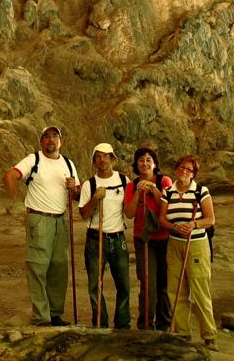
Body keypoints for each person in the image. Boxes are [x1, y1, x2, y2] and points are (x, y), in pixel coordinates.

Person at [2, 125, 78, 326]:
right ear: (41, 141)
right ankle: (41, 317)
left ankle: (54, 314)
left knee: (59, 267)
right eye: (46, 137)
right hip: (39, 218)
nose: (51, 140)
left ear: (61, 141)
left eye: (55, 136)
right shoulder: (33, 160)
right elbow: (10, 176)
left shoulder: (69, 164)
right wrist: (13, 203)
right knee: (38, 267)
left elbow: (78, 194)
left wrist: (74, 189)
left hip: (60, 220)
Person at [159, 154, 217, 349]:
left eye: (189, 169)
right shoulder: (168, 192)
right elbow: (162, 219)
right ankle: (183, 333)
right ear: (176, 169)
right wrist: (174, 227)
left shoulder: (201, 191)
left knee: (200, 289)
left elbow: (210, 220)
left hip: (196, 243)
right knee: (176, 290)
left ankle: (209, 335)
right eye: (181, 167)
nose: (184, 171)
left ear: (194, 174)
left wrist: (193, 224)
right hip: (174, 243)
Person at [78, 142, 130, 329]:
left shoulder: (124, 181)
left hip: (118, 238)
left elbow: (130, 209)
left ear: (113, 159)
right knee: (94, 285)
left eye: (106, 156)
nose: (103, 160)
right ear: (94, 162)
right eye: (98, 157)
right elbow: (83, 214)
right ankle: (100, 322)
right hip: (95, 239)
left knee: (123, 284)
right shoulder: (89, 184)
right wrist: (95, 198)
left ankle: (122, 324)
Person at [123, 147, 173, 330]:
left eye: (148, 160)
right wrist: (138, 192)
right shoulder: (131, 185)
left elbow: (169, 209)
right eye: (141, 160)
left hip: (164, 237)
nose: (145, 163)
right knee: (147, 281)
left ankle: (164, 324)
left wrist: (154, 191)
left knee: (163, 282)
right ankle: (145, 324)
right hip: (143, 239)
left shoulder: (164, 181)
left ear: (155, 164)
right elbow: (128, 213)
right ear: (136, 164)